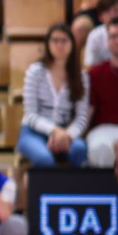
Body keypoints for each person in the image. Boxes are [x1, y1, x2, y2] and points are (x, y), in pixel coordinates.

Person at [19, 23, 90, 167]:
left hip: (65, 131)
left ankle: (72, 183)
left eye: (64, 41)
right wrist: (54, 131)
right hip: (33, 132)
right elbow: (30, 114)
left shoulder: (81, 77)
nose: (59, 45)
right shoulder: (35, 72)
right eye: (55, 40)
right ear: (48, 44)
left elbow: (82, 117)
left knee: (79, 149)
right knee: (44, 159)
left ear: (72, 44)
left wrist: (67, 135)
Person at [86, 16, 118, 167]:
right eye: (113, 36)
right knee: (101, 149)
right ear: (107, 40)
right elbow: (88, 112)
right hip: (103, 129)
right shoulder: (95, 74)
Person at [83, 0, 118, 66]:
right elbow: (90, 65)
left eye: (116, 10)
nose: (113, 15)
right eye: (108, 11)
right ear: (100, 17)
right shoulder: (94, 36)